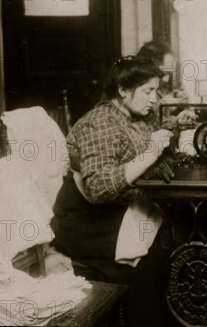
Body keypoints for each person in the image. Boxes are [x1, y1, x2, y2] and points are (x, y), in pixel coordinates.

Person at [50, 57, 175, 325]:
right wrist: (152, 153)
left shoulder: (136, 116)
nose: (154, 98)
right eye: (148, 91)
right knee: (157, 250)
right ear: (122, 89)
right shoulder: (99, 123)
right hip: (84, 222)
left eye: (156, 90)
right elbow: (99, 188)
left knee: (174, 231)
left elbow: (146, 142)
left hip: (117, 209)